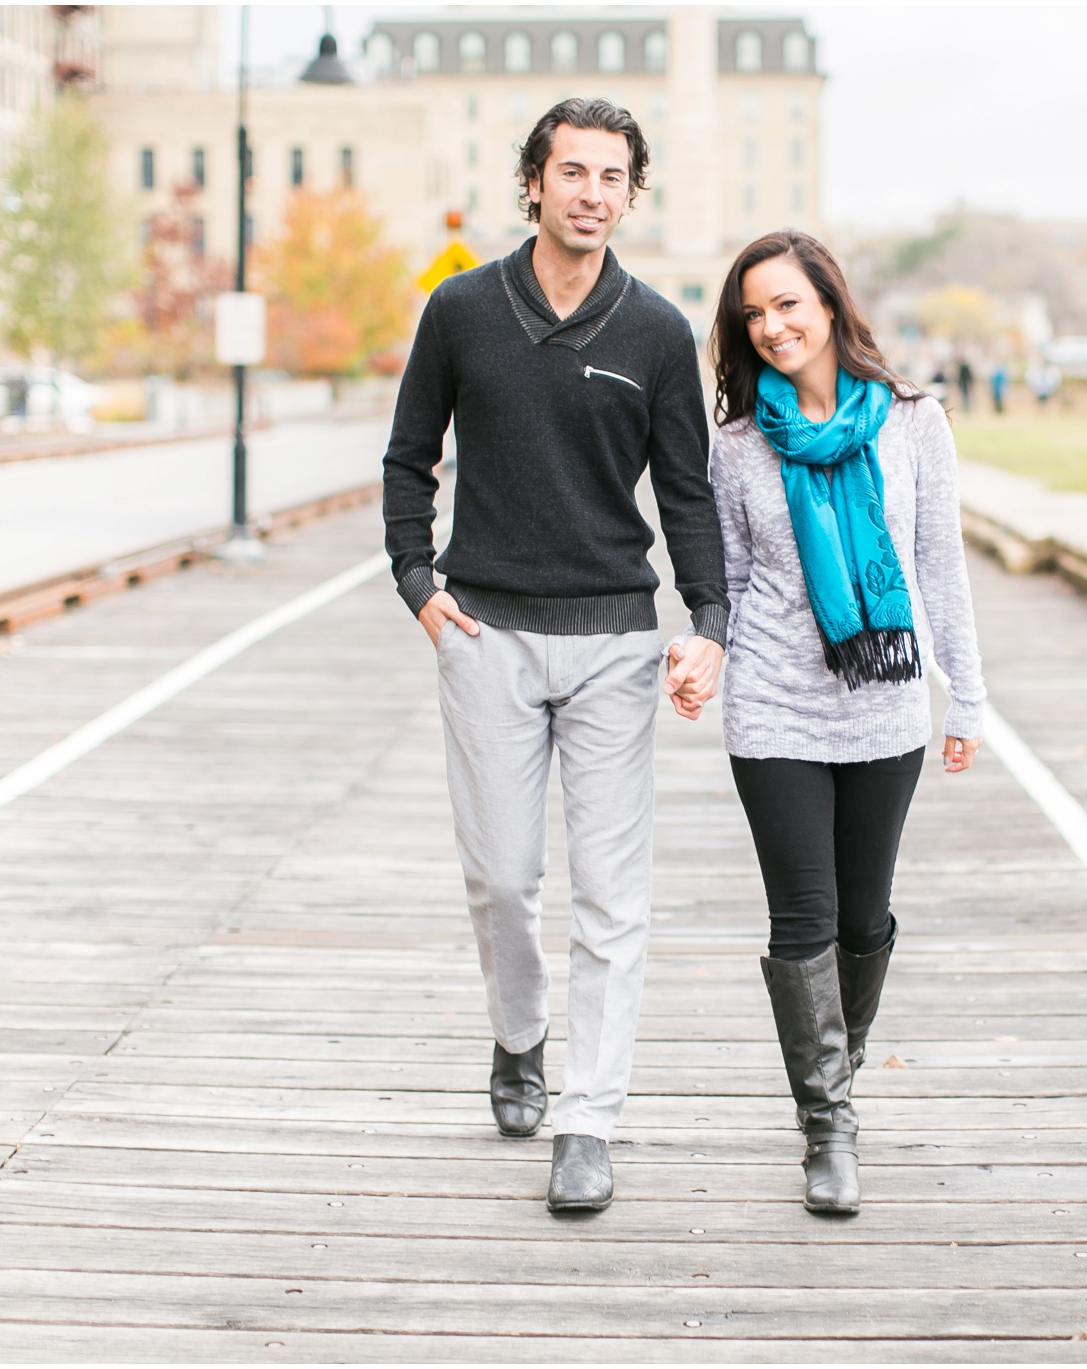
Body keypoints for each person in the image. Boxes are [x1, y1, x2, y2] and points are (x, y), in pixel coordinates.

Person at [381, 98, 727, 1213]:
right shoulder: (462, 311)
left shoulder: (658, 333)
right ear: (532, 183)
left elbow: (685, 493)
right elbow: (406, 461)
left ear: (632, 194)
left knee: (612, 896)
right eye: (570, 171)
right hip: (482, 633)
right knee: (501, 879)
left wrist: (707, 623)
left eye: (611, 176)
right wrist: (419, 589)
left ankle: (588, 1116)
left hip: (615, 643)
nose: (591, 192)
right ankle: (518, 1037)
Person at [706, 230, 987, 1214]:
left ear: (827, 302)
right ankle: (828, 1129)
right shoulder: (736, 446)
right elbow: (734, 584)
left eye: (787, 303)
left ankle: (835, 1066)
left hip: (883, 706)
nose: (772, 326)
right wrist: (709, 660)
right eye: (753, 313)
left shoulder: (912, 423)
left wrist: (969, 694)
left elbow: (936, 566)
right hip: (773, 709)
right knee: (803, 921)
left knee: (864, 920)